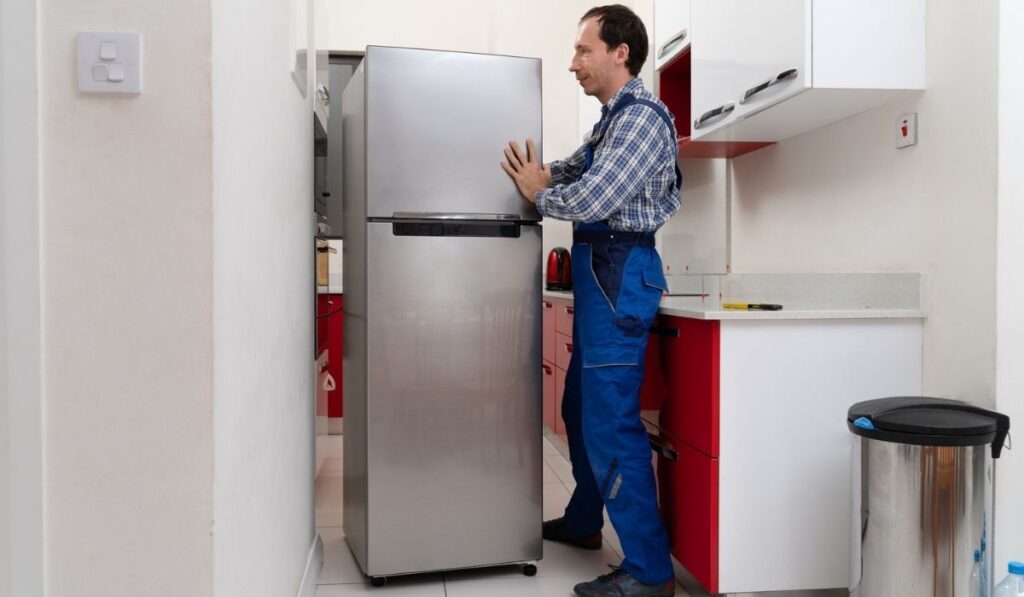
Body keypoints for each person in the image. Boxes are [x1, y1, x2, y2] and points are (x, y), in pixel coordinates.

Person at [501, 5, 682, 597]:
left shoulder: (643, 119)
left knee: (611, 424)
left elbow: (595, 196)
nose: (573, 62)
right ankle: (584, 521)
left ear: (619, 52)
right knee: (581, 409)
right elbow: (571, 169)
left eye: (583, 50)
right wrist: (538, 172)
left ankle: (651, 571)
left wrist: (537, 194)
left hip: (620, 269)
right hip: (603, 272)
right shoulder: (611, 122)